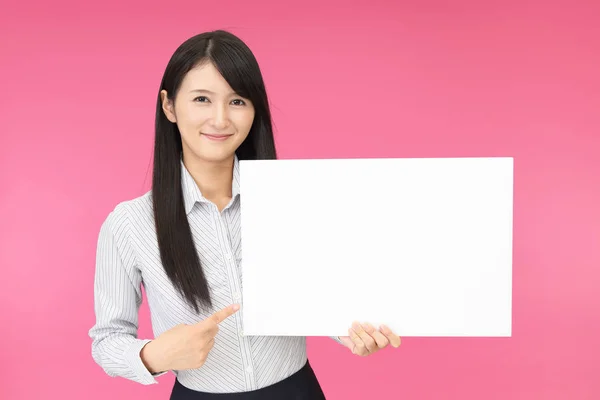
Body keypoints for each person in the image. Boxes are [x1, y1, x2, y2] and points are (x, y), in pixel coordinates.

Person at [88, 30, 401, 400]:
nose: (220, 119)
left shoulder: (292, 202)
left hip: (297, 390)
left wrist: (352, 330)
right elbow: (107, 340)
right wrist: (155, 355)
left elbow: (314, 292)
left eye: (237, 101)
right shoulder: (129, 224)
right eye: (202, 99)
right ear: (169, 106)